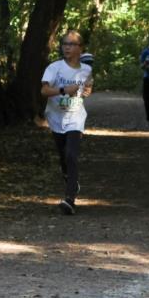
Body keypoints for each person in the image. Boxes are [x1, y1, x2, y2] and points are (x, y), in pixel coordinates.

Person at [41, 30, 93, 215]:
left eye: (71, 44)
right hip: (56, 118)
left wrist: (86, 92)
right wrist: (64, 89)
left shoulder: (86, 69)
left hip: (75, 118)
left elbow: (87, 87)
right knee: (63, 157)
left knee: (71, 155)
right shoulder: (54, 68)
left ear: (81, 48)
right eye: (64, 44)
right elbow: (44, 91)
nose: (67, 47)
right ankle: (71, 180)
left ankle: (70, 198)